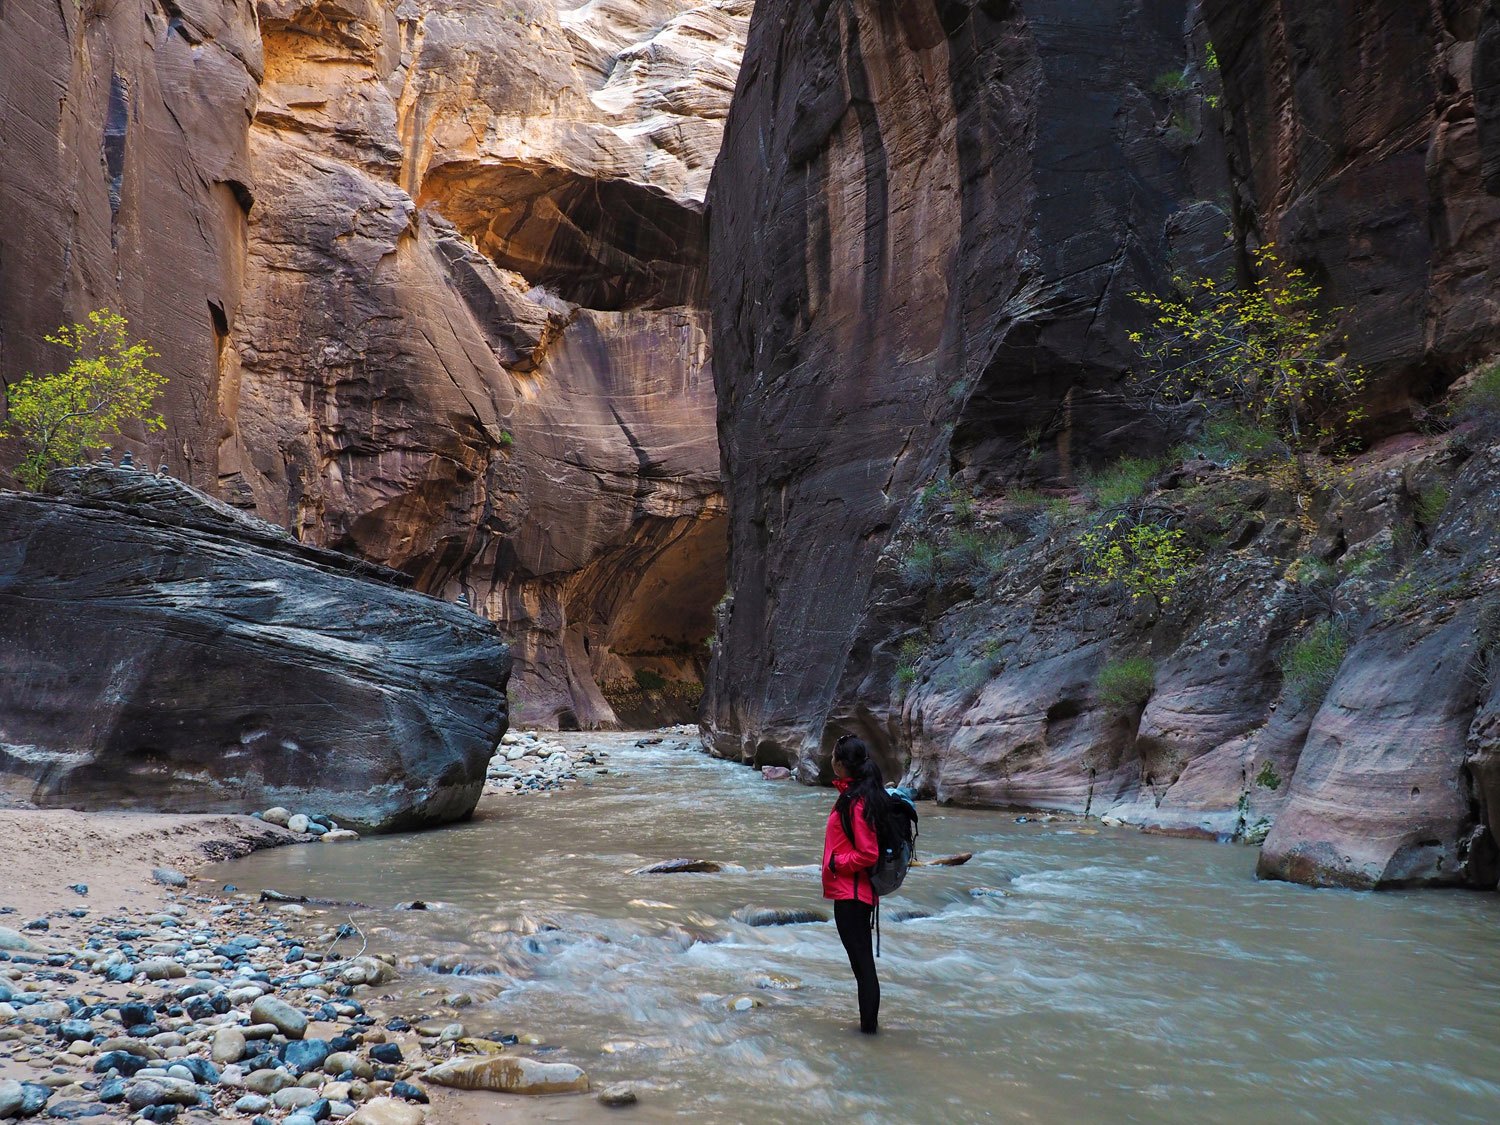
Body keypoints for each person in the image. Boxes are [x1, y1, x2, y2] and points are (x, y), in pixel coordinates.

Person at [822, 733, 892, 1034]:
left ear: (841, 764)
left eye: (834, 755)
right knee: (862, 968)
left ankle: (869, 1033)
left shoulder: (856, 802)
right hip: (854, 893)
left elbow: (868, 852)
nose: (830, 759)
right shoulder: (855, 794)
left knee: (863, 969)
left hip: (852, 895)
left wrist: (838, 863)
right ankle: (869, 1033)